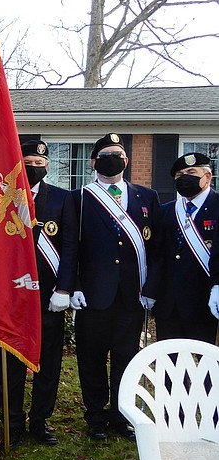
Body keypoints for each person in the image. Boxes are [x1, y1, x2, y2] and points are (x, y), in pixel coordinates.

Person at [0, 140, 78, 446]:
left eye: (39, 163)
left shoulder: (63, 199)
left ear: (47, 165)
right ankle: (12, 422)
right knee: (11, 360)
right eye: (27, 162)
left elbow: (70, 247)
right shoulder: (5, 197)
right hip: (12, 295)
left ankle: (40, 420)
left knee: (48, 362)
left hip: (48, 296)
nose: (33, 167)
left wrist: (64, 288)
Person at [71, 133, 159, 441]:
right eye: (107, 154)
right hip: (93, 294)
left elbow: (156, 248)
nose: (114, 158)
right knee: (91, 357)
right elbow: (72, 247)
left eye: (118, 153)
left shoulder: (146, 197)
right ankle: (95, 415)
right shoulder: (80, 198)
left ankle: (122, 415)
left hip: (131, 295)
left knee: (126, 356)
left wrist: (151, 287)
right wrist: (75, 285)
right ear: (94, 162)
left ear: (127, 160)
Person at [145, 153, 218, 343]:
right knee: (170, 366)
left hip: (206, 303)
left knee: (207, 367)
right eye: (179, 175)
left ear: (207, 176)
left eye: (191, 172)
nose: (184, 177)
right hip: (169, 305)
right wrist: (150, 291)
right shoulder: (167, 211)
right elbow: (158, 255)